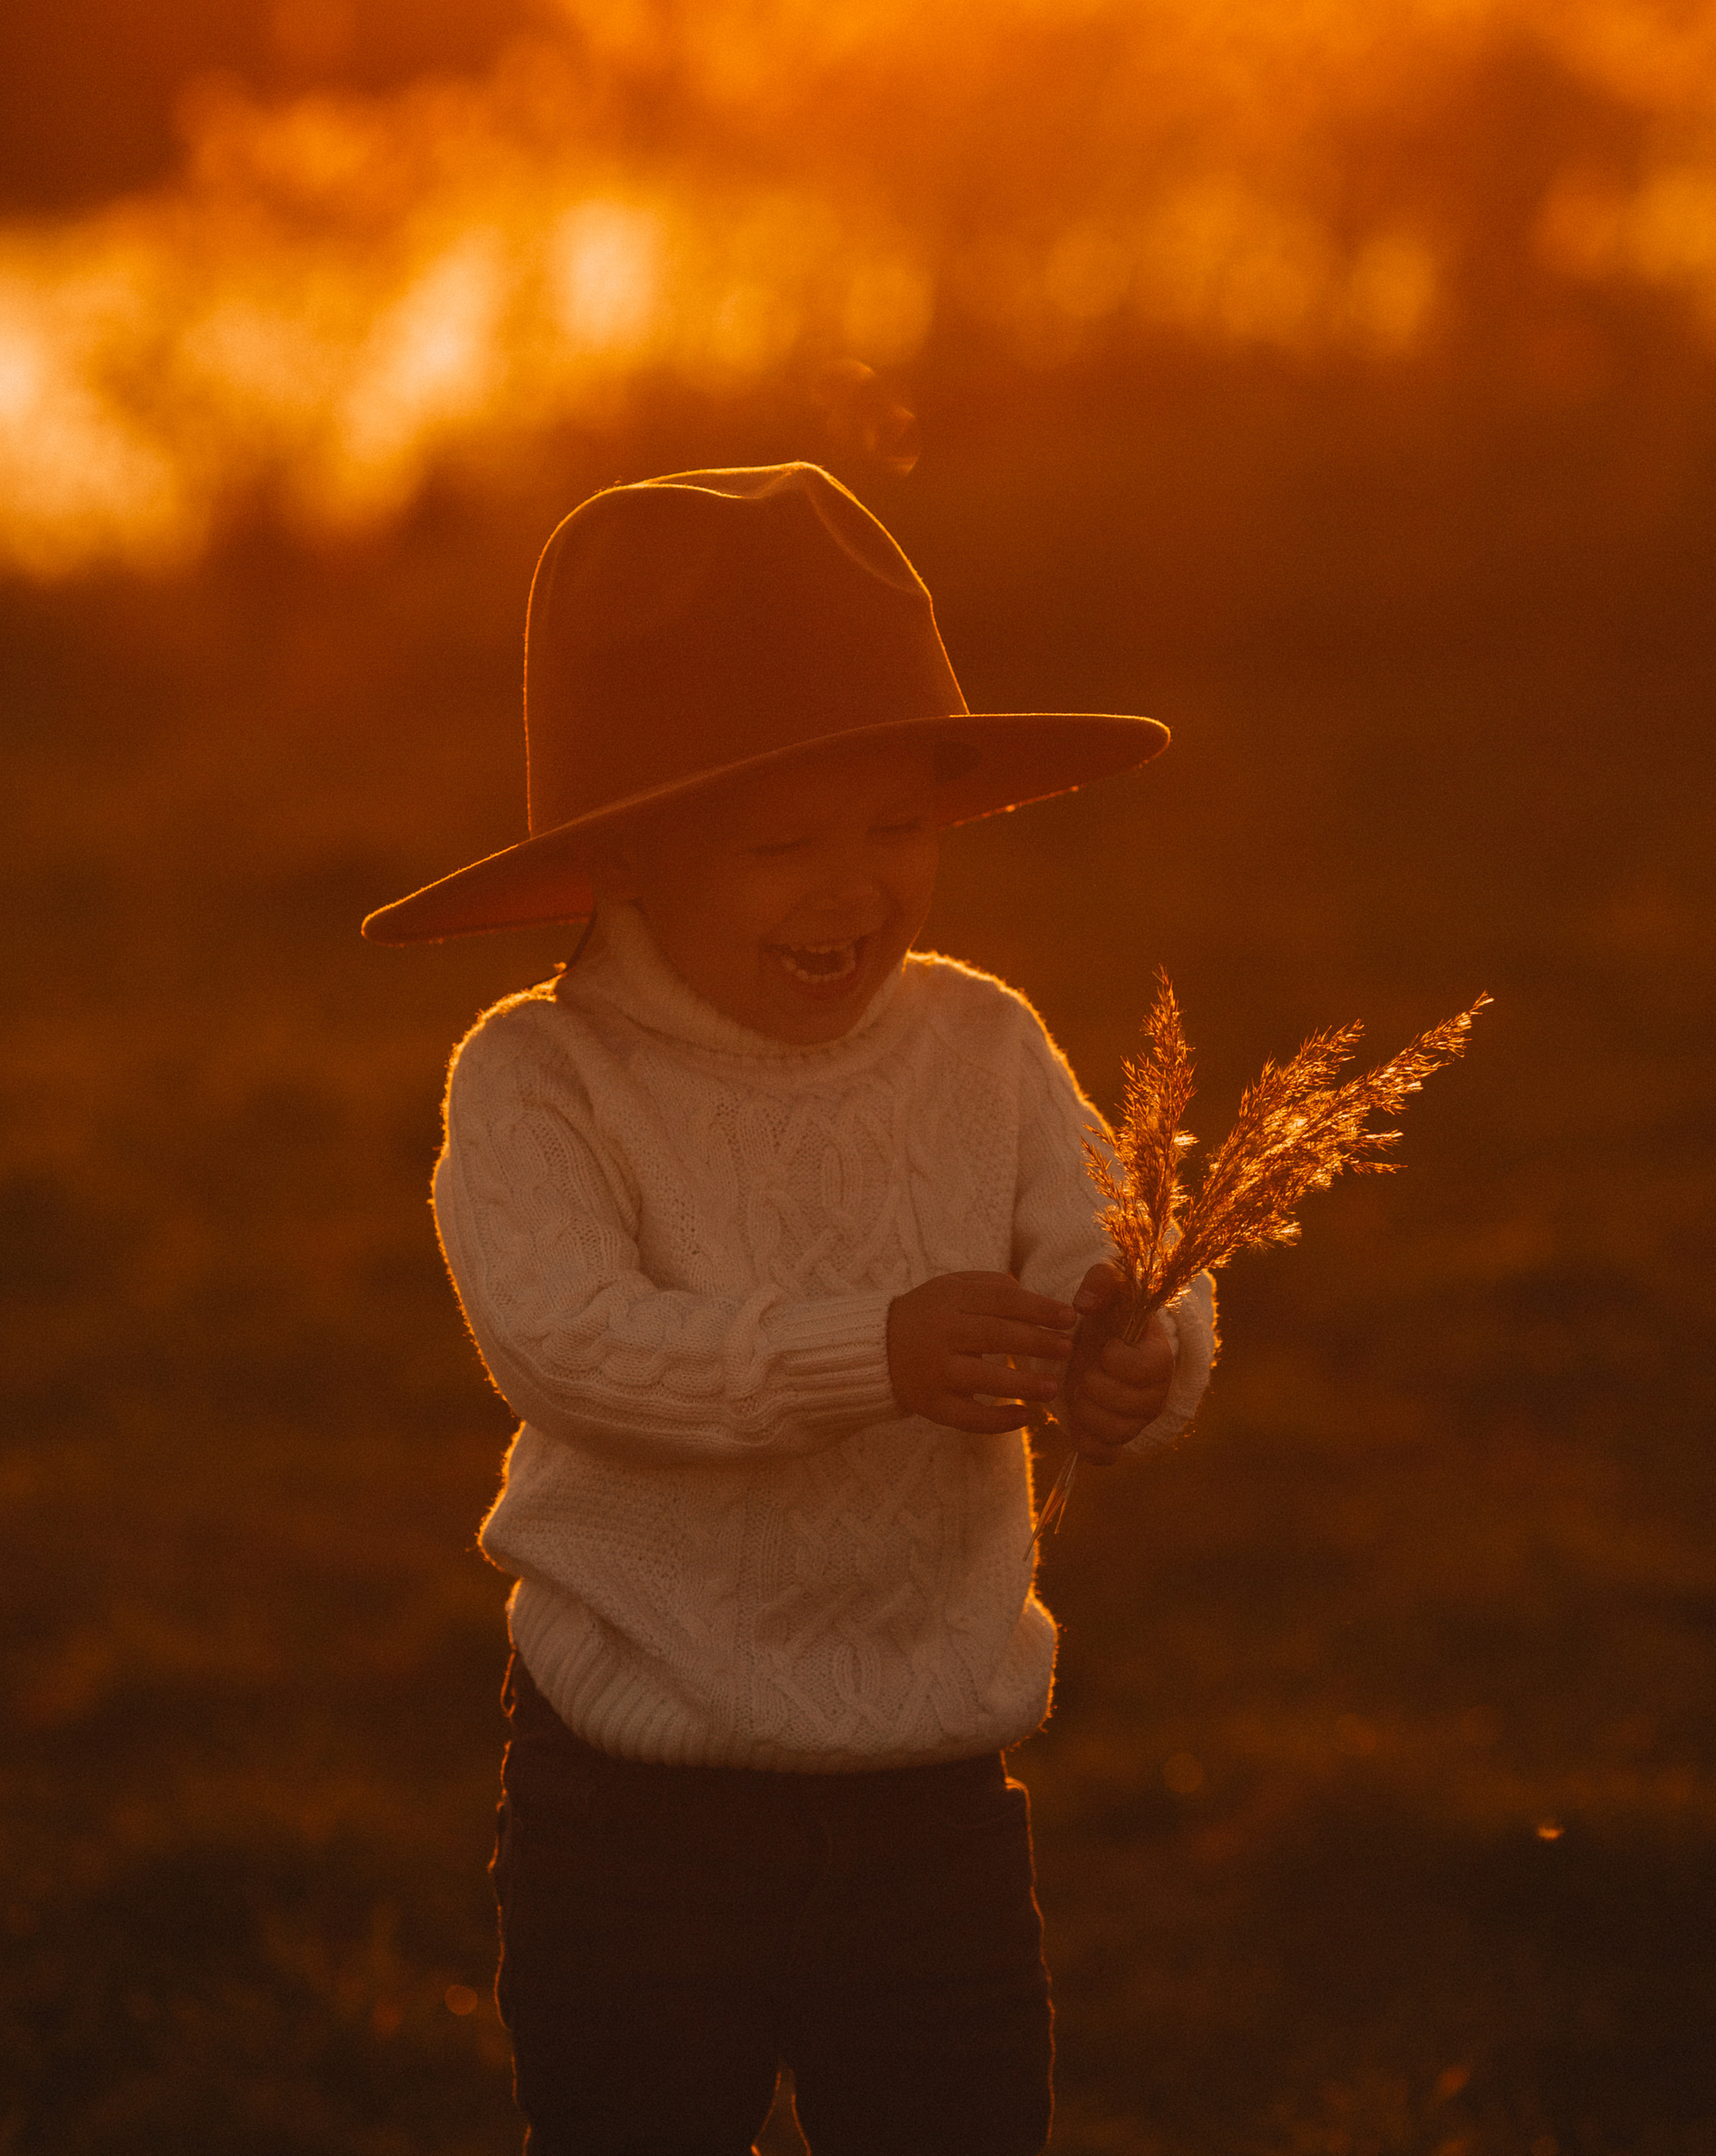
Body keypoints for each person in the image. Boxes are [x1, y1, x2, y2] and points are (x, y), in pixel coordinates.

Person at [363, 462, 1217, 2156]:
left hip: (932, 1793)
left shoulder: (979, 1044)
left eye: (897, 826)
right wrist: (874, 1350)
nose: (854, 888)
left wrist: (1134, 1358)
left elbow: (1095, 1259)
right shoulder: (542, 1082)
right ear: (625, 856)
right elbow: (573, 1345)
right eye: (780, 844)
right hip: (637, 1798)